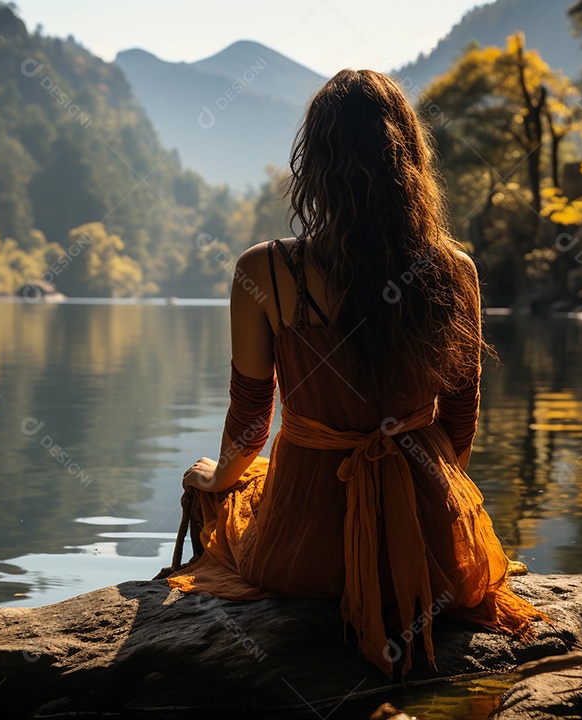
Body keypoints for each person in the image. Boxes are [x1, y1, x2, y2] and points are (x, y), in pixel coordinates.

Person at [167, 69, 542, 676]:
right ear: (413, 162)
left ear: (312, 163)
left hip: (304, 556)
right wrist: (421, 510)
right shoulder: (454, 270)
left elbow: (250, 422)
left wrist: (215, 481)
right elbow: (460, 424)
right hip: (430, 556)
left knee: (233, 487)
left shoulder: (265, 271)